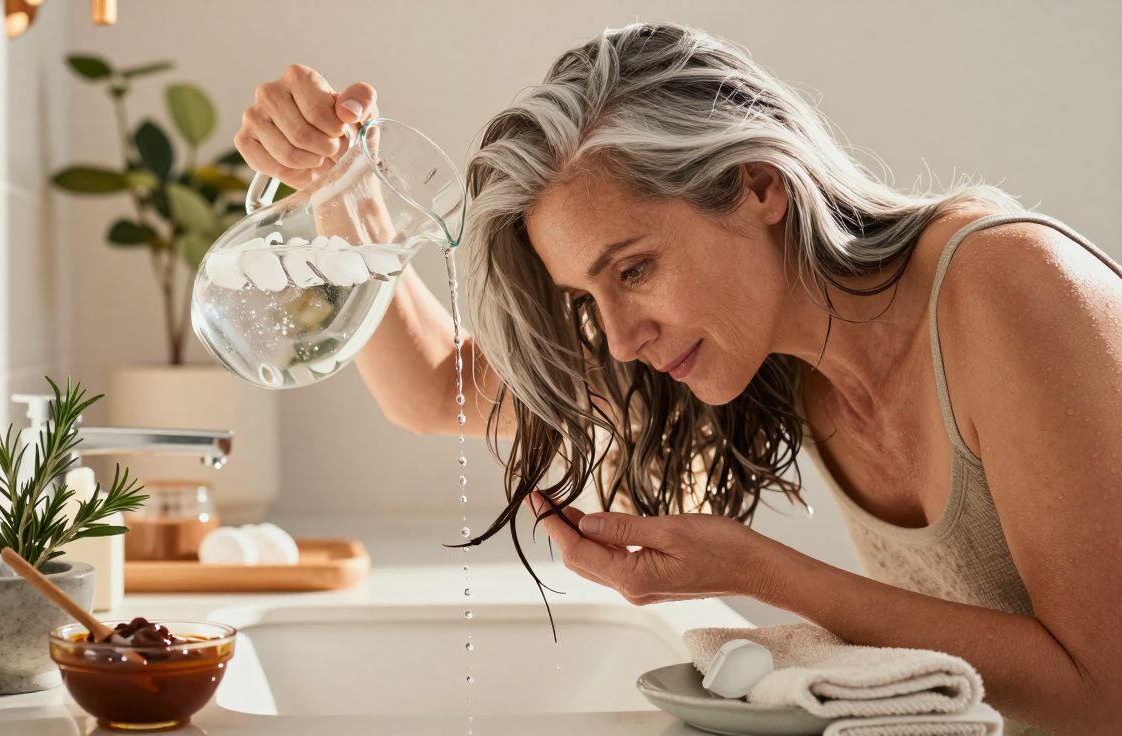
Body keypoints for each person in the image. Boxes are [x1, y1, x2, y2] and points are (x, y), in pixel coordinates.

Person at [234, 21, 1121, 734]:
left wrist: (759, 571)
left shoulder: (1007, 288)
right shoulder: (772, 349)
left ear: (756, 186)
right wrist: (339, 185)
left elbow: (1103, 695)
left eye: (634, 270)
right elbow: (435, 390)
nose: (619, 341)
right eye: (590, 294)